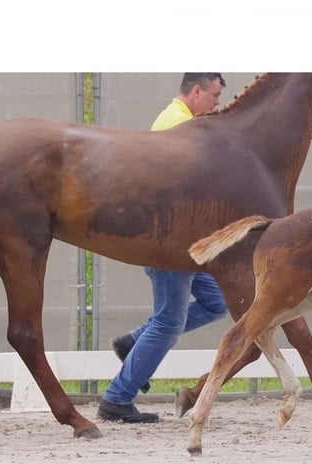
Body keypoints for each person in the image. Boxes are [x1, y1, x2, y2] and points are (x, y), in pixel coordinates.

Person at [97, 73, 229, 424]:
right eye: (214, 96)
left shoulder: (180, 120)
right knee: (170, 321)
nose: (217, 104)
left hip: (182, 240)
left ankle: (131, 343)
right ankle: (117, 398)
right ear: (197, 91)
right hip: (170, 239)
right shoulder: (178, 125)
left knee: (217, 303)